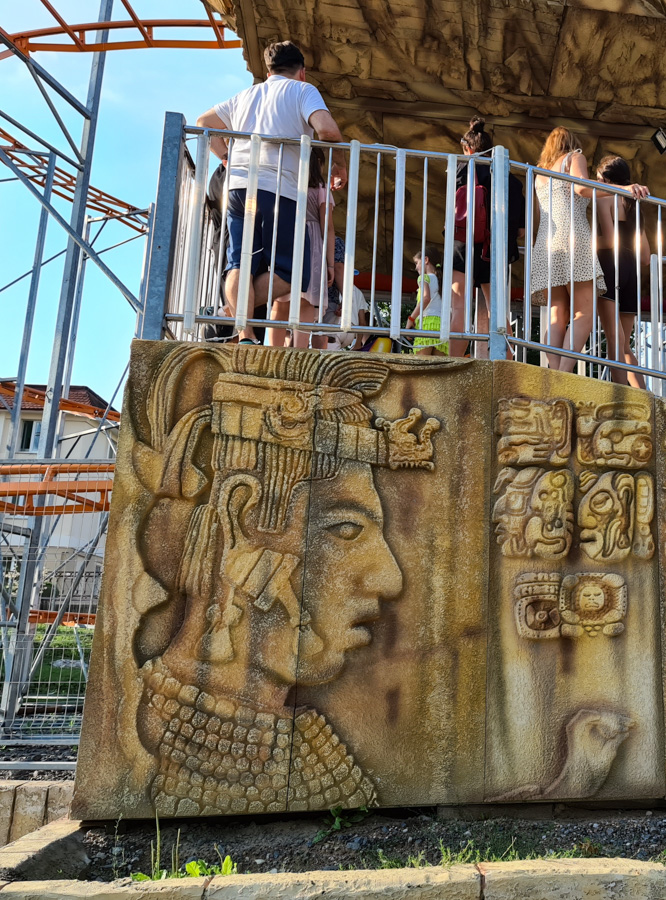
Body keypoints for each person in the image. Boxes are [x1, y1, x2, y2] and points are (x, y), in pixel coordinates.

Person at [129, 345, 441, 815]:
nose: (390, 579)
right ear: (240, 518)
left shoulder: (301, 743)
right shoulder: (187, 748)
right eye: (346, 529)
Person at [195, 40, 347, 348]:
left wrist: (226, 157)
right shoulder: (302, 91)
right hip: (280, 189)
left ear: (268, 72)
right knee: (294, 273)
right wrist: (340, 165)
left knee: (240, 263)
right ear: (302, 72)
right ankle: (236, 312)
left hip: (239, 189)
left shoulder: (245, 96)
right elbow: (328, 131)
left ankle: (244, 331)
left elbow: (203, 123)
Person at [528, 128, 648, 372]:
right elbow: (582, 188)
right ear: (571, 144)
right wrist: (623, 189)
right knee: (584, 313)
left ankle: (555, 374)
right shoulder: (574, 157)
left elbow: (535, 217)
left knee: (556, 314)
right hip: (575, 239)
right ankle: (562, 375)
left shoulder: (539, 174)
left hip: (545, 244)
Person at [448, 116, 526, 358]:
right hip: (494, 249)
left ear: (468, 149)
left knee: (458, 306)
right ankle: (506, 363)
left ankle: (454, 364)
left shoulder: (462, 170)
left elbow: (454, 211)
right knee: (497, 311)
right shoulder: (511, 181)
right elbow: (521, 230)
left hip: (464, 242)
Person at [594, 156, 649, 390]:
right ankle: (643, 395)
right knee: (625, 346)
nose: (596, 183)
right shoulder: (635, 206)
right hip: (632, 270)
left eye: (598, 179)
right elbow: (645, 257)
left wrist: (584, 244)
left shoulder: (604, 198)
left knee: (614, 342)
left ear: (606, 180)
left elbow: (609, 240)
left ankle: (620, 397)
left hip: (610, 266)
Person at [303, 153, 338, 349]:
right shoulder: (321, 188)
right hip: (312, 242)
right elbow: (328, 228)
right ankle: (299, 350)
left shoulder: (291, 182)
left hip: (290, 238)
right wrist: (330, 264)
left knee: (284, 301)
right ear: (319, 163)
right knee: (308, 302)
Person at [408, 254, 448, 356]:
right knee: (438, 365)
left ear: (426, 260)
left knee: (421, 364)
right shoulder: (444, 282)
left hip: (426, 324)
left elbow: (426, 298)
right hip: (443, 326)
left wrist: (411, 319)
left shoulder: (423, 278)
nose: (416, 267)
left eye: (417, 263)